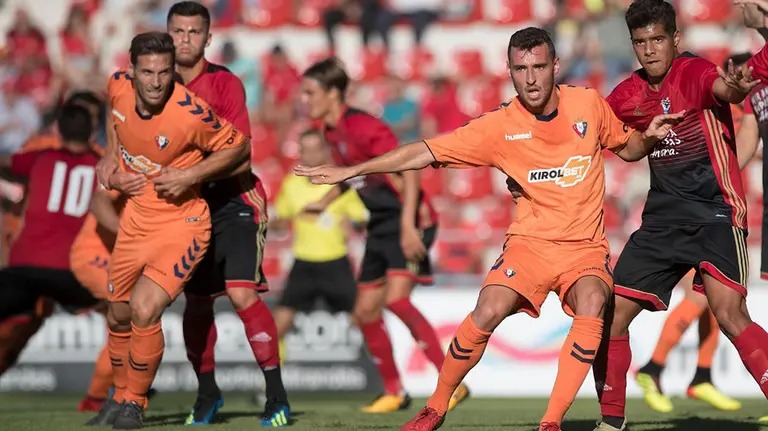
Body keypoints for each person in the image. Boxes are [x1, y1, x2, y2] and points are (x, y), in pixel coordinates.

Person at [296, 27, 683, 431]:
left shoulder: (587, 104)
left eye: (538, 67)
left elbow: (627, 147)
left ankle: (551, 422)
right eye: (520, 69)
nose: (530, 79)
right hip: (529, 246)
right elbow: (424, 151)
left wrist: (647, 139)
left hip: (583, 248)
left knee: (593, 301)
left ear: (555, 66)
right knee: (488, 309)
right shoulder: (499, 126)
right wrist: (352, 170)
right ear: (509, 71)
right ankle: (435, 408)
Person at [589, 2, 765, 431]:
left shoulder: (695, 71)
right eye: (641, 42)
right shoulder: (626, 94)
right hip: (662, 221)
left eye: (657, 39)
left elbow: (726, 91)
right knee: (608, 317)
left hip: (716, 213)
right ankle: (611, 421)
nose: (649, 49)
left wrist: (737, 86)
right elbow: (587, 128)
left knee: (729, 314)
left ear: (675, 40)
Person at [86, 31, 250, 429]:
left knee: (144, 309)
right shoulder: (117, 86)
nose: (156, 82)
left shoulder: (190, 113)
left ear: (173, 70)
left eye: (164, 72)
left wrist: (191, 175)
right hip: (135, 220)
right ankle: (120, 395)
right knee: (118, 315)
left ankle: (134, 403)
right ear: (131, 71)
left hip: (182, 225)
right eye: (147, 72)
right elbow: (115, 115)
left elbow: (240, 149)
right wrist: (110, 157)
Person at [300, 57, 469, 413]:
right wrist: (325, 202)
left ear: (332, 93)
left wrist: (408, 225)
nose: (304, 99)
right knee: (365, 310)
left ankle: (452, 382)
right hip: (380, 223)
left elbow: (410, 168)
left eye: (310, 92)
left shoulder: (362, 126)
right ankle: (394, 391)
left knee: (396, 300)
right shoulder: (331, 131)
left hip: (409, 218)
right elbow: (355, 176)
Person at [163, 2, 289, 427]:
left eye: (193, 32)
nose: (185, 39)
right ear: (167, 34)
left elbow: (240, 156)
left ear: (207, 38)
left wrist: (189, 174)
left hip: (236, 201)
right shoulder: (154, 86)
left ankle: (276, 395)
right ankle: (207, 394)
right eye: (178, 31)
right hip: (187, 207)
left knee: (240, 294)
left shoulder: (224, 83)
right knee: (196, 304)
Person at [631, 51, 755, 415]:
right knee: (706, 300)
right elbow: (732, 154)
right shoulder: (724, 108)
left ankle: (701, 376)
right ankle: (653, 367)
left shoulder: (733, 110)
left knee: (716, 302)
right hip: (697, 217)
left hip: (709, 214)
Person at [0, 103, 102, 347]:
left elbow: (7, 164)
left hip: (24, 266)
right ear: (92, 132)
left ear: (59, 131)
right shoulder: (101, 166)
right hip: (73, 270)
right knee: (119, 312)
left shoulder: (41, 158)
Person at [272, 129, 368, 344]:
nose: (311, 155)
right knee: (280, 324)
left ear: (325, 150)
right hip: (303, 261)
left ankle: (380, 364)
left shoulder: (340, 183)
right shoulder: (291, 184)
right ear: (300, 152)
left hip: (335, 260)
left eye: (316, 149)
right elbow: (281, 220)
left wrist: (352, 224)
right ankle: (272, 367)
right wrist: (270, 220)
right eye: (306, 150)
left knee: (362, 319)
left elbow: (362, 220)